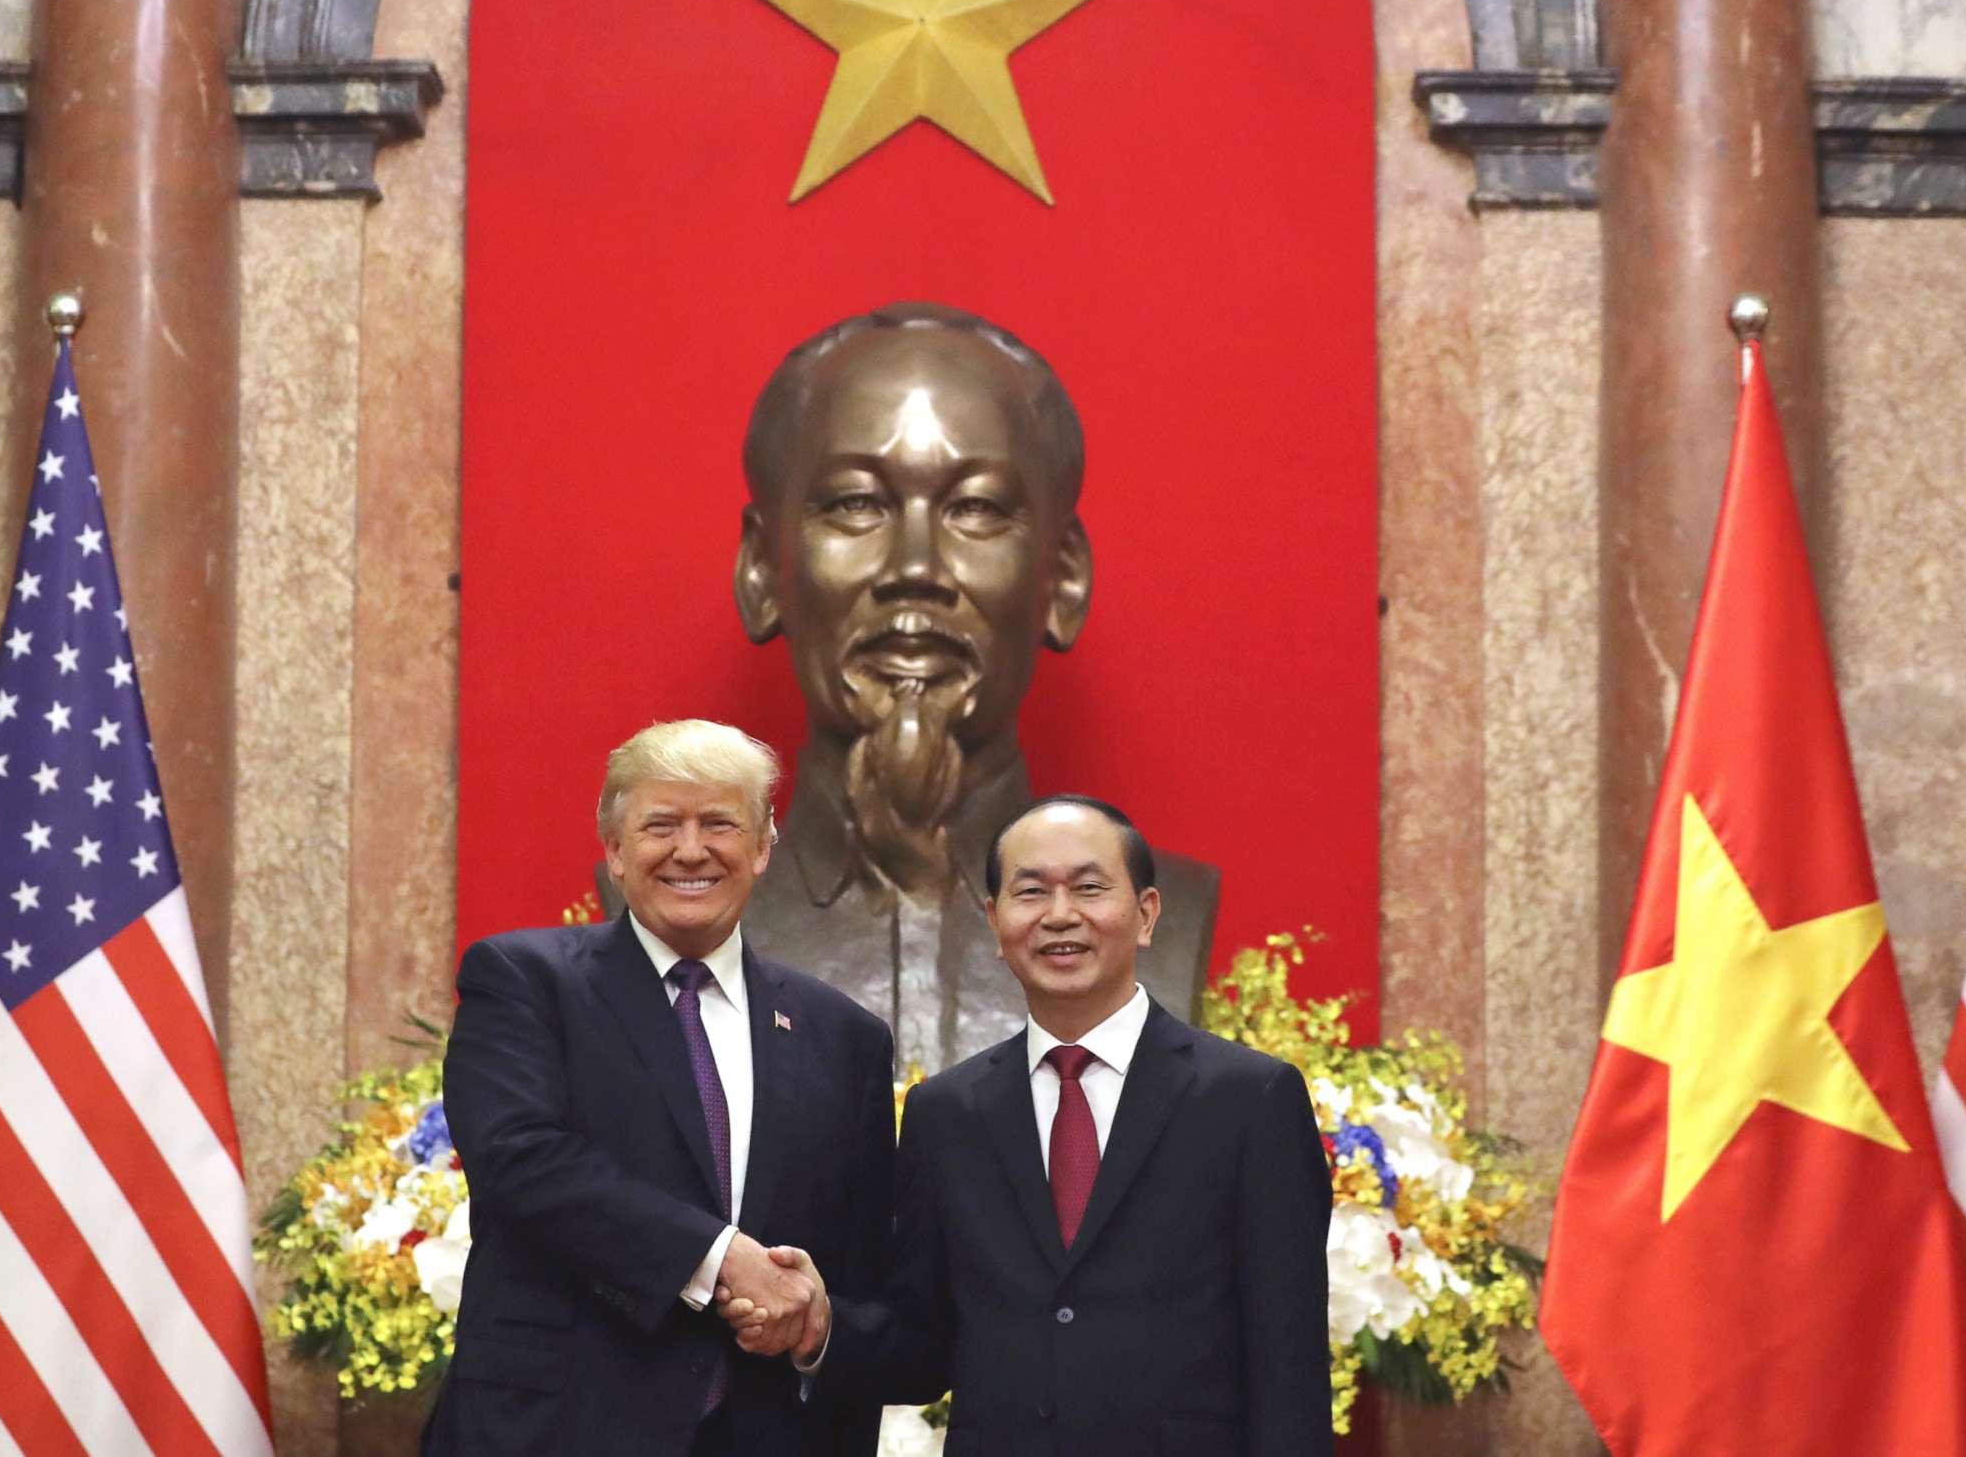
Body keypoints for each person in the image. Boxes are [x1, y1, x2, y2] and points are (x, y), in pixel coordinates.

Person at [729, 795, 1332, 1457]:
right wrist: (818, 1322)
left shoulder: (1249, 1098)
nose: (1060, 914)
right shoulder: (947, 1112)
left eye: (1090, 887)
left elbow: (1289, 1366)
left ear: (1147, 913)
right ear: (994, 920)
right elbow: (924, 1348)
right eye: (1031, 891)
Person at [730, 303, 1220, 1070]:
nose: (915, 568)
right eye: (857, 504)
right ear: (762, 572)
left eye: (977, 509)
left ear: (1062, 578)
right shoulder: (667, 926)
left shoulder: (1170, 919)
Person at [425, 720, 896, 1457]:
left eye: (719, 822)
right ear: (614, 849)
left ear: (764, 845)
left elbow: (867, 1266)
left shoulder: (845, 1037)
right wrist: (718, 1257)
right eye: (660, 824)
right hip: (556, 1431)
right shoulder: (524, 982)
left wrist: (813, 1322)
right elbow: (520, 1160)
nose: (690, 848)